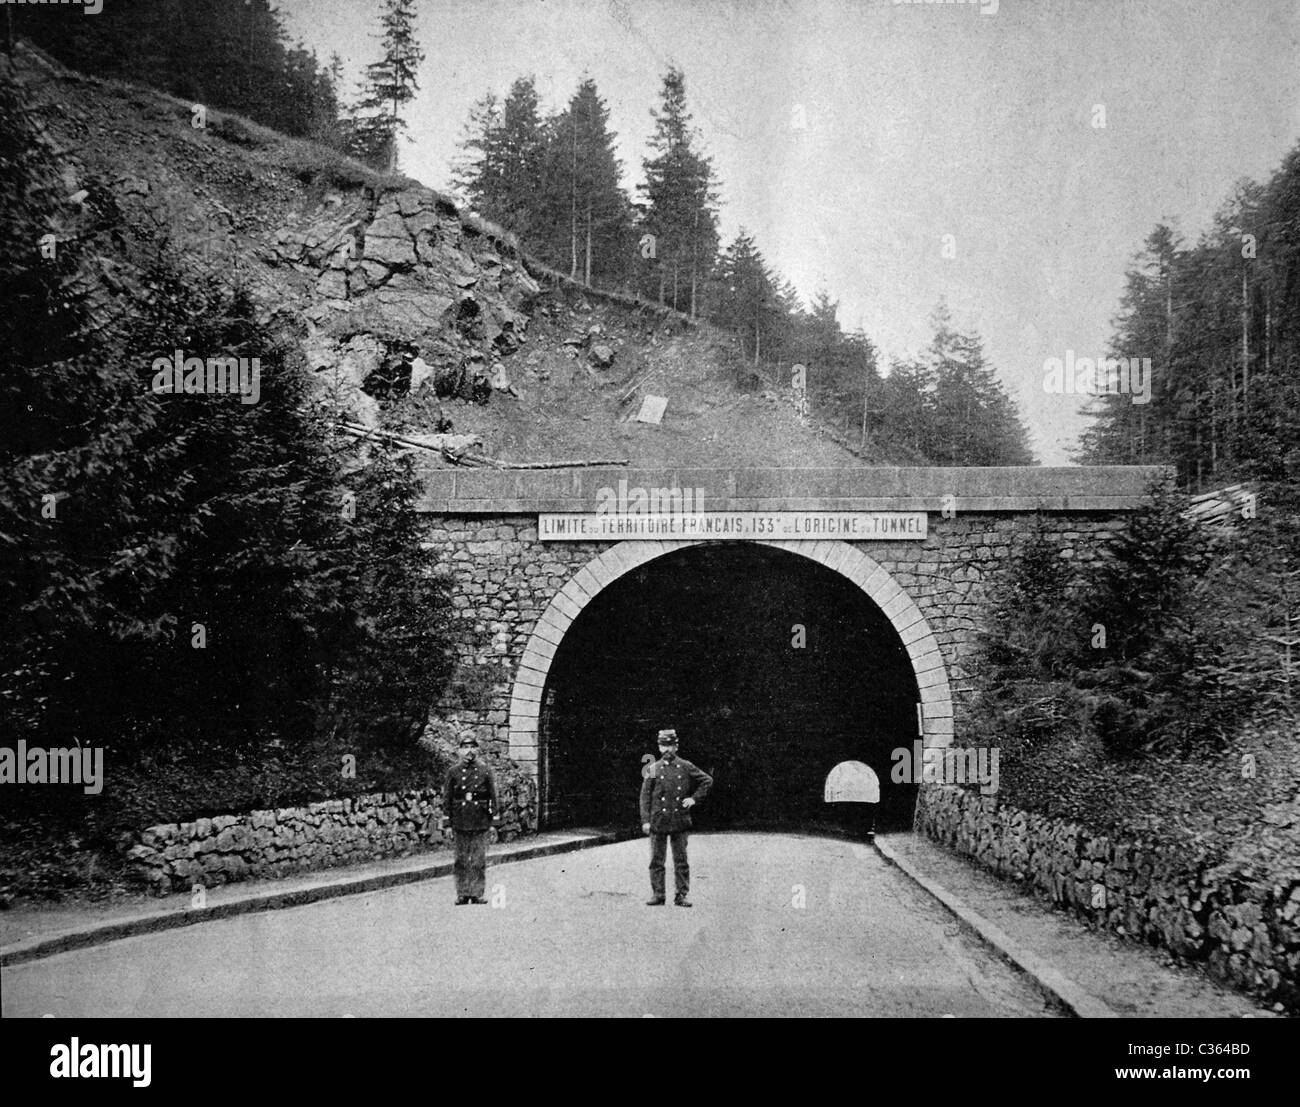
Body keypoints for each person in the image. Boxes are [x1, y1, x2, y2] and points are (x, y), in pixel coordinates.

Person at [639, 728, 712, 907]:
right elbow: (645, 796)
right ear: (659, 747)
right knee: (657, 860)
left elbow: (707, 780)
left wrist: (693, 799)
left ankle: (681, 895)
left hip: (679, 819)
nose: (667, 750)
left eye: (670, 745)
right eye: (663, 746)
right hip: (658, 819)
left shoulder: (685, 766)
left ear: (676, 746)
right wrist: (645, 820)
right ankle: (658, 894)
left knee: (681, 860)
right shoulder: (653, 768)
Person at [441, 736, 500, 905]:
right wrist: (447, 824)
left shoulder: (485, 770)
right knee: (460, 860)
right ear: (459, 750)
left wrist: (494, 823)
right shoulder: (453, 772)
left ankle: (477, 893)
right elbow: (447, 799)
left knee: (478, 860)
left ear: (477, 749)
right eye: (465, 747)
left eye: (472, 746)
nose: (469, 750)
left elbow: (493, 797)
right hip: (460, 820)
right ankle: (462, 893)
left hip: (480, 820)